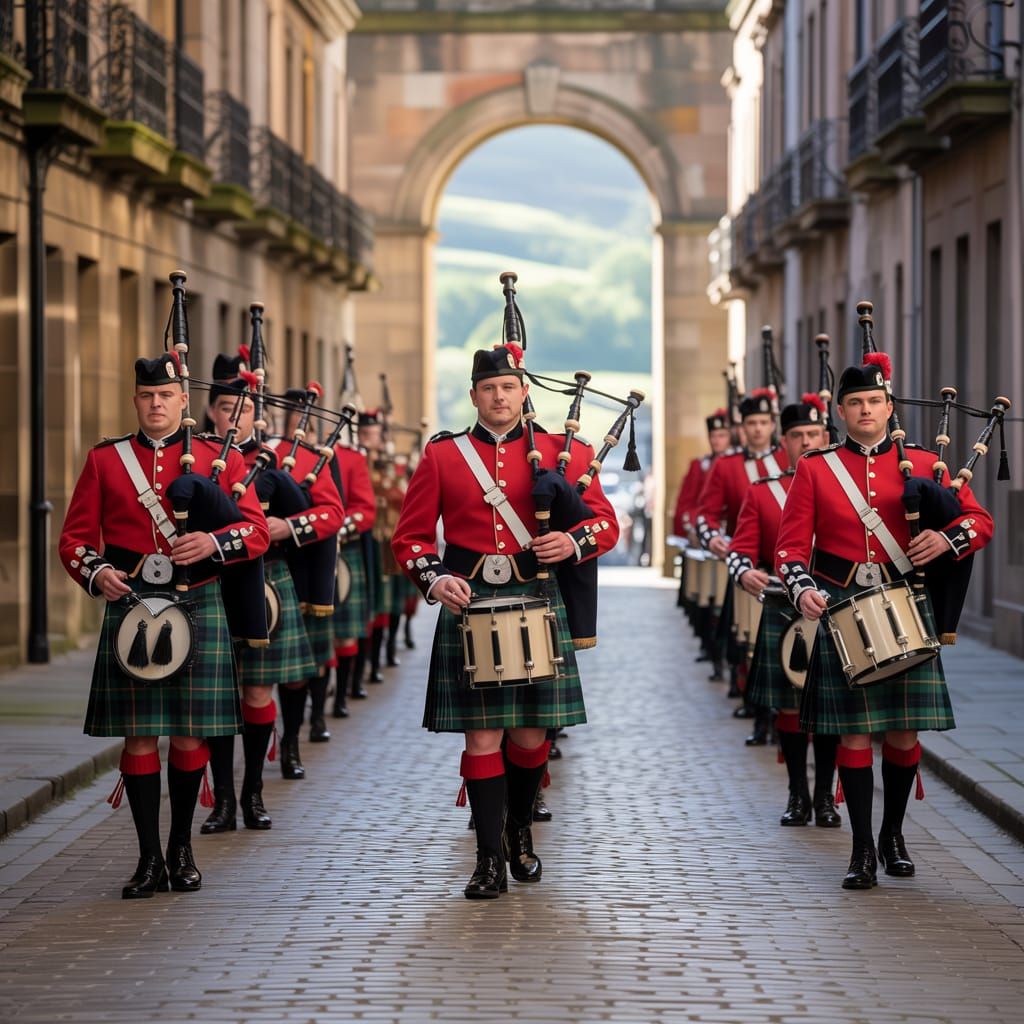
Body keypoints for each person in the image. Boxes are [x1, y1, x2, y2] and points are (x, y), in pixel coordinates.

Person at [391, 343, 619, 899]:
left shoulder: (565, 453)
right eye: (488, 389)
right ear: (473, 395)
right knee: (482, 735)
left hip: (538, 601)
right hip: (470, 606)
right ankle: (489, 859)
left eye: (508, 387)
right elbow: (411, 538)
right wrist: (434, 577)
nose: (499, 396)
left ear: (524, 392)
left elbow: (607, 525)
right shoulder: (445, 456)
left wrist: (570, 539)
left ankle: (520, 830)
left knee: (530, 734)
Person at [775, 352, 993, 889]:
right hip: (843, 608)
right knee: (852, 734)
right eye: (855, 403)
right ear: (840, 411)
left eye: (874, 401)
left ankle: (894, 836)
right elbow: (789, 549)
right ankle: (862, 851)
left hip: (908, 608)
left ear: (889, 406)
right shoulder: (816, 468)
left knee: (901, 733)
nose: (866, 410)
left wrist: (947, 538)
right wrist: (801, 588)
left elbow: (980, 521)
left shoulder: (925, 465)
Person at [59, 354, 269, 898]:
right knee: (139, 735)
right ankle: (148, 857)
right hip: (132, 605)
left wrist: (214, 542)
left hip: (196, 599)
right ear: (137, 400)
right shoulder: (107, 460)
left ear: (183, 401)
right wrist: (97, 570)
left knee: (189, 732)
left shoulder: (214, 458)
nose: (156, 404)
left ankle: (182, 849)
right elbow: (74, 540)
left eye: (166, 396)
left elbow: (256, 533)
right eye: (147, 396)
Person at [198, 369, 318, 834]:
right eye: (228, 409)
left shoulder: (279, 460)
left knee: (256, 691)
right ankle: (222, 800)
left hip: (267, 581)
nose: (235, 419)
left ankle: (252, 793)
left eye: (245, 410)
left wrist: (289, 525)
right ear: (212, 411)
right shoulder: (195, 458)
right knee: (216, 698)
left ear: (256, 415)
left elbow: (327, 511)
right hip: (211, 584)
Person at [727, 395, 840, 826]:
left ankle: (826, 796)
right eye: (797, 436)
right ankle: (798, 792)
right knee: (791, 708)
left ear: (826, 436)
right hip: (782, 604)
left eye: (814, 434)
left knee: (831, 706)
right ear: (784, 441)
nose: (807, 442)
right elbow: (740, 551)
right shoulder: (764, 492)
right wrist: (744, 573)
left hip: (834, 607)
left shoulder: (843, 484)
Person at [696, 389, 789, 707]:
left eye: (764, 422)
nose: (759, 429)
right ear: (743, 427)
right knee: (747, 639)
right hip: (748, 562)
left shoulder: (789, 459)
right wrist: (712, 538)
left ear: (773, 424)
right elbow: (705, 514)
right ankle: (758, 709)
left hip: (790, 563)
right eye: (752, 423)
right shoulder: (727, 466)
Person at [270, 391, 345, 770]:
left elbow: (335, 513)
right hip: (236, 572)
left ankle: (291, 741)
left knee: (295, 673)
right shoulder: (226, 455)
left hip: (296, 573)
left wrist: (289, 526)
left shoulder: (314, 461)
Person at [330, 432, 377, 718]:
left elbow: (364, 509)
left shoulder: (350, 458)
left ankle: (341, 697)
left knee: (344, 633)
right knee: (317, 638)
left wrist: (336, 528)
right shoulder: (284, 454)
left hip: (343, 548)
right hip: (301, 552)